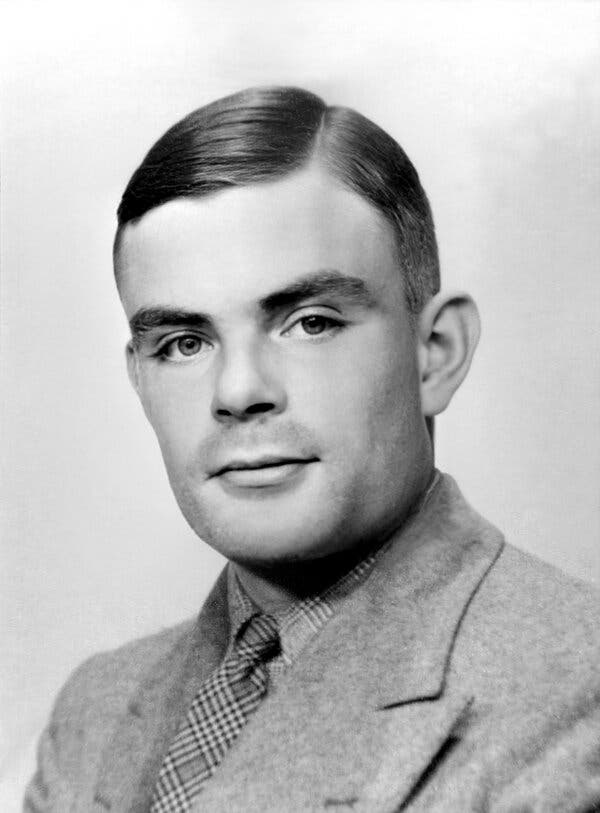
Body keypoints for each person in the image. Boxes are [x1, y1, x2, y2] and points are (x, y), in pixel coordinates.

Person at [24, 86, 600, 813]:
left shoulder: (576, 689)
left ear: (436, 354)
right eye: (183, 343)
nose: (238, 390)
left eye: (311, 322)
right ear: (139, 380)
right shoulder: (94, 712)